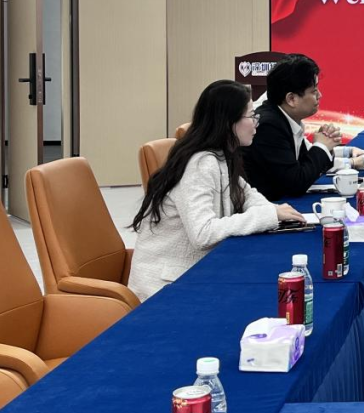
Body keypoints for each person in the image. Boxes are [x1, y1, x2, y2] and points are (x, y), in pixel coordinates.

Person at [128, 80, 304, 300]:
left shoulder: (221, 154)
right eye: (252, 116)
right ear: (229, 122)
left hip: (194, 273)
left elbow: (247, 194)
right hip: (164, 287)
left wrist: (272, 211)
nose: (256, 124)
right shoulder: (200, 164)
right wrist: (268, 215)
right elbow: (203, 233)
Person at [242, 54, 343, 200]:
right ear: (291, 99)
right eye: (314, 91)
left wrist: (325, 146)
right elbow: (296, 183)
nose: (319, 95)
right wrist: (321, 147)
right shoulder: (268, 126)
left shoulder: (285, 118)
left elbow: (303, 167)